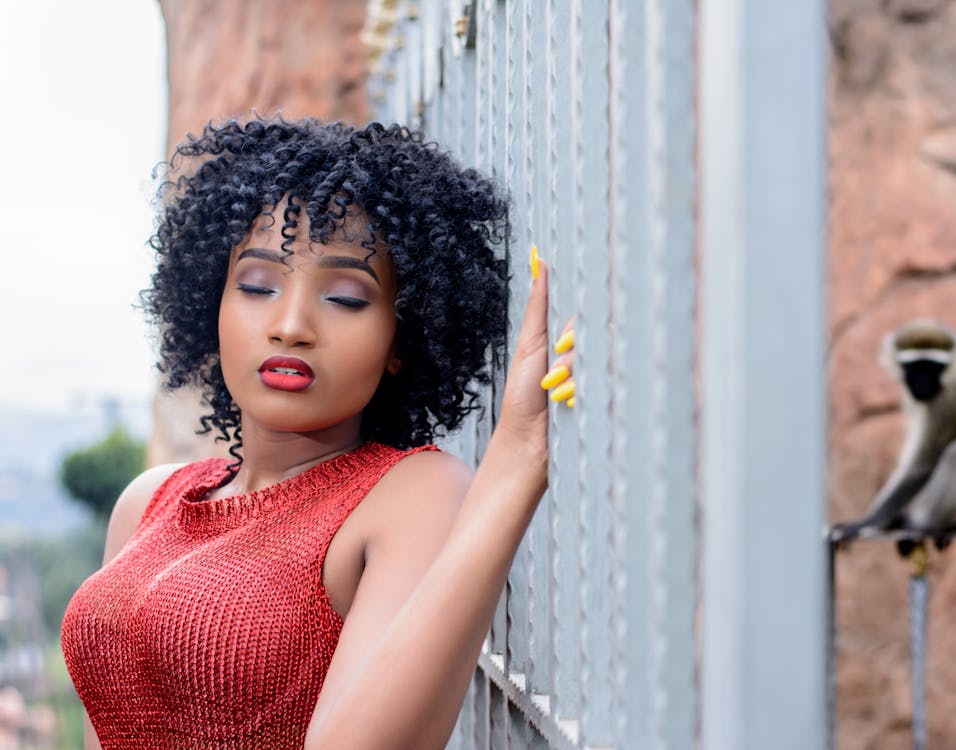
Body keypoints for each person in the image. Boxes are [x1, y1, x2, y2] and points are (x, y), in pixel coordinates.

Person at [60, 117, 575, 749]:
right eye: (256, 285)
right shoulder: (146, 502)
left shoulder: (411, 492)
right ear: (210, 303)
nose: (291, 324)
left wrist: (518, 461)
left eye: (346, 298)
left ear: (401, 339)